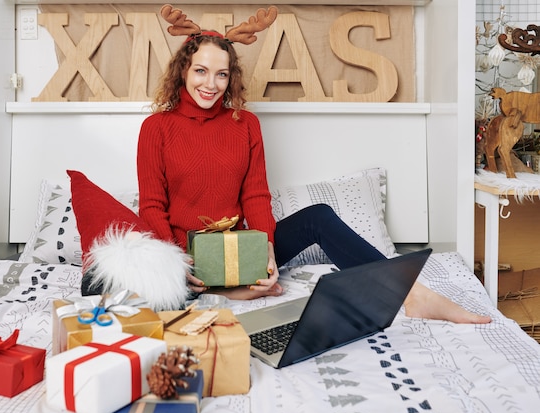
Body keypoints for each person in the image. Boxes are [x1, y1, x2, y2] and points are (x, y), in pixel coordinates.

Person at [136, 31, 491, 324]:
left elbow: (255, 197)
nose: (210, 84)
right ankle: (223, 289)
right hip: (187, 257)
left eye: (221, 74)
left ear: (231, 78)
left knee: (318, 216)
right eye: (200, 71)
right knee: (153, 284)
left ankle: (411, 293)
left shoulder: (245, 125)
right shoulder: (156, 128)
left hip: (240, 251)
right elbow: (152, 206)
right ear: (183, 71)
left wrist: (267, 250)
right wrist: (178, 263)